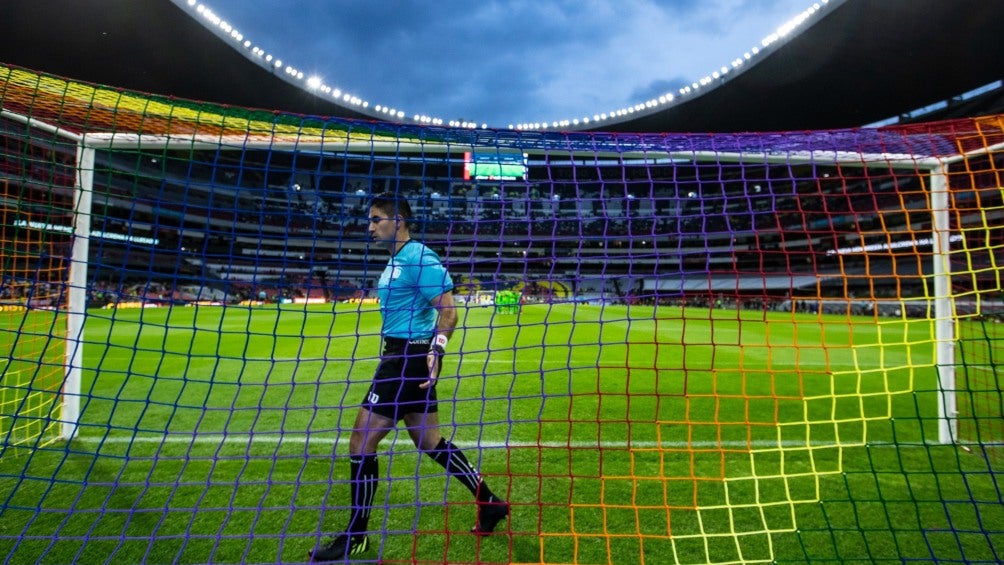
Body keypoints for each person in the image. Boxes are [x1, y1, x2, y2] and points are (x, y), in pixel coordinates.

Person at [310, 192, 509, 561]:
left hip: (406, 359)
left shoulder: (418, 258)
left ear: (397, 221)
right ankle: (490, 501)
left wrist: (436, 350)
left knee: (360, 442)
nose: (370, 227)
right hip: (403, 357)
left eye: (375, 219)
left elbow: (448, 313)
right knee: (428, 440)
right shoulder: (396, 261)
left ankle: (356, 536)